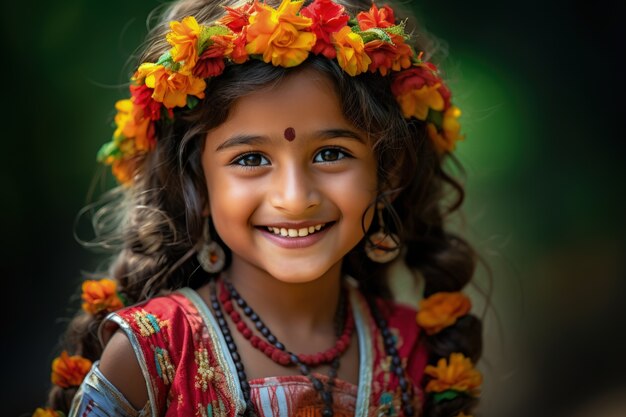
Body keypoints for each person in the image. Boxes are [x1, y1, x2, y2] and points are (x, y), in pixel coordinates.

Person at [37, 0, 484, 416]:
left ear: (388, 173)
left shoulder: (415, 353)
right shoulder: (149, 356)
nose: (294, 197)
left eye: (331, 154)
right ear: (195, 184)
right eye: (251, 160)